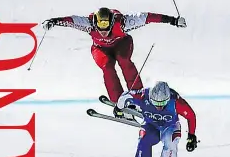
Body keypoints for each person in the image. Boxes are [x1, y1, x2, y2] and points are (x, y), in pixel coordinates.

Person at [42, 7, 186, 101]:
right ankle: (118, 99)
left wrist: (173, 21)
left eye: (106, 26)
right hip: (100, 49)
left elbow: (147, 17)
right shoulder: (88, 23)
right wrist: (53, 21)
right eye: (100, 26)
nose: (103, 30)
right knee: (107, 67)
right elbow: (71, 20)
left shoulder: (123, 23)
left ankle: (137, 94)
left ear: (111, 22)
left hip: (121, 44)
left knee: (124, 61)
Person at [115, 81, 198, 157]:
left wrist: (191, 135)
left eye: (162, 103)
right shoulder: (144, 95)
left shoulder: (176, 101)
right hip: (151, 125)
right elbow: (127, 95)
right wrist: (119, 107)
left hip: (169, 126)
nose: (159, 106)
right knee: (144, 139)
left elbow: (191, 116)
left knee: (171, 141)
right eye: (156, 103)